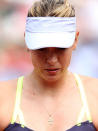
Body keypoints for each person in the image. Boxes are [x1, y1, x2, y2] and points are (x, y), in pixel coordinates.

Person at [0, 0, 98, 131]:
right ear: (27, 42)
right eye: (41, 49)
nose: (52, 60)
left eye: (60, 48)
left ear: (75, 40)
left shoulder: (94, 94)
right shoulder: (3, 97)